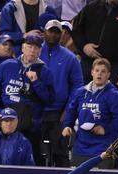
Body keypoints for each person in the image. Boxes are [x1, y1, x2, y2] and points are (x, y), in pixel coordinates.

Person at [0, 31, 51, 157]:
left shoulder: (44, 71)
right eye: (29, 46)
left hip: (29, 126)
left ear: (40, 51)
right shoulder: (7, 65)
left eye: (36, 47)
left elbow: (48, 99)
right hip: (5, 120)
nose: (32, 50)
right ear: (22, 48)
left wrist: (36, 82)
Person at [61, 55, 118, 168]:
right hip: (80, 147)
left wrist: (105, 129)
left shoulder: (116, 96)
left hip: (103, 149)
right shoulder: (80, 92)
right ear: (92, 72)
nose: (99, 74)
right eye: (97, 70)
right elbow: (70, 111)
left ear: (108, 75)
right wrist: (67, 126)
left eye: (103, 71)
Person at [70, 0, 118, 99]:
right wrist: (84, 46)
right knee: (83, 101)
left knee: (110, 104)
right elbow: (76, 30)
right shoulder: (91, 7)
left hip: (115, 68)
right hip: (88, 64)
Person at [38, 18, 81, 164]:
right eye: (50, 31)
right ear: (44, 32)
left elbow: (77, 86)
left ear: (61, 34)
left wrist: (68, 110)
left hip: (59, 112)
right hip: (37, 111)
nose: (53, 35)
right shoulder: (34, 52)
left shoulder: (70, 58)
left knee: (60, 152)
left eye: (57, 32)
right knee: (36, 151)